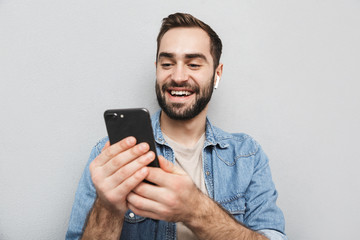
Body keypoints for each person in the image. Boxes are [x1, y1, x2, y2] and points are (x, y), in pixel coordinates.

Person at [66, 13, 287, 240]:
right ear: (157, 70)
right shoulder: (111, 155)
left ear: (217, 74)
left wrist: (195, 209)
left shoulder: (247, 156)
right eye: (167, 64)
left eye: (193, 64)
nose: (178, 76)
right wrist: (108, 208)